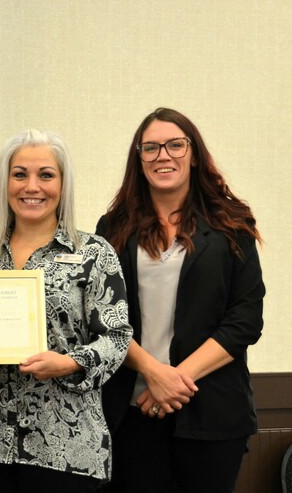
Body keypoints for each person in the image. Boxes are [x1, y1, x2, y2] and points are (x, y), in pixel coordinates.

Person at [0, 129, 132, 492]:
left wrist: (69, 363)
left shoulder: (93, 253)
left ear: (63, 185)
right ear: (6, 183)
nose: (32, 186)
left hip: (68, 447)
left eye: (46, 175)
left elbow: (118, 336)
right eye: (20, 174)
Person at [96, 107, 264, 493]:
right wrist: (153, 376)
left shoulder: (231, 224)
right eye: (151, 148)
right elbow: (102, 316)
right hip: (131, 411)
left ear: (193, 153)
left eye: (175, 144)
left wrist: (174, 380)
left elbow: (245, 319)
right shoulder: (113, 228)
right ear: (139, 159)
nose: (163, 156)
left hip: (213, 412)